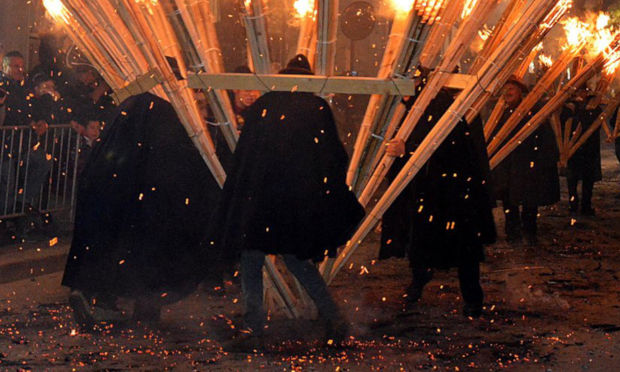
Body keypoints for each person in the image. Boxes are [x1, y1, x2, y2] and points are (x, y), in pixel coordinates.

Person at [209, 54, 364, 349]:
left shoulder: (265, 105)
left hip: (260, 200)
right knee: (297, 259)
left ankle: (253, 327)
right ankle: (334, 318)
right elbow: (333, 156)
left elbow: (245, 154)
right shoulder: (317, 107)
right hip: (296, 202)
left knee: (251, 259)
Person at [62, 92, 221, 329]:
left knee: (110, 250)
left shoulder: (126, 120)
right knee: (147, 257)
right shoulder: (164, 124)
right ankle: (142, 307)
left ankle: (96, 296)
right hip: (148, 208)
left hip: (114, 201)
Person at [379, 77, 496, 318]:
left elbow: (447, 147)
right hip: (427, 193)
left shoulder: (441, 108)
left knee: (463, 249)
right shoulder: (413, 108)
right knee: (422, 242)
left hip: (453, 195)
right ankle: (419, 282)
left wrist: (408, 150)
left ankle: (473, 299)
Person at [491, 77, 560, 245]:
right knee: (509, 200)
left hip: (528, 164)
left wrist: (545, 161)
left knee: (530, 200)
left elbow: (545, 138)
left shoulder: (533, 111)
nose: (507, 92)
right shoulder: (501, 113)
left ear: (520, 91)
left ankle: (529, 231)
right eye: (505, 89)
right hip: (508, 165)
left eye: (511, 89)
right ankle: (512, 232)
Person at [561, 87, 602, 216]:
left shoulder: (594, 107)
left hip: (589, 149)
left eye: (583, 91)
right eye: (579, 91)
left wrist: (586, 111)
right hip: (573, 149)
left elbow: (596, 124)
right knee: (572, 179)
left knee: (588, 180)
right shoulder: (570, 106)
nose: (581, 94)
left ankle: (586, 205)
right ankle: (573, 204)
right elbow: (564, 120)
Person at [0, 50, 30, 126]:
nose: (20, 70)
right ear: (4, 67)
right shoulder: (2, 87)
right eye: (16, 66)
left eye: (22, 67)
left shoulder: (25, 86)